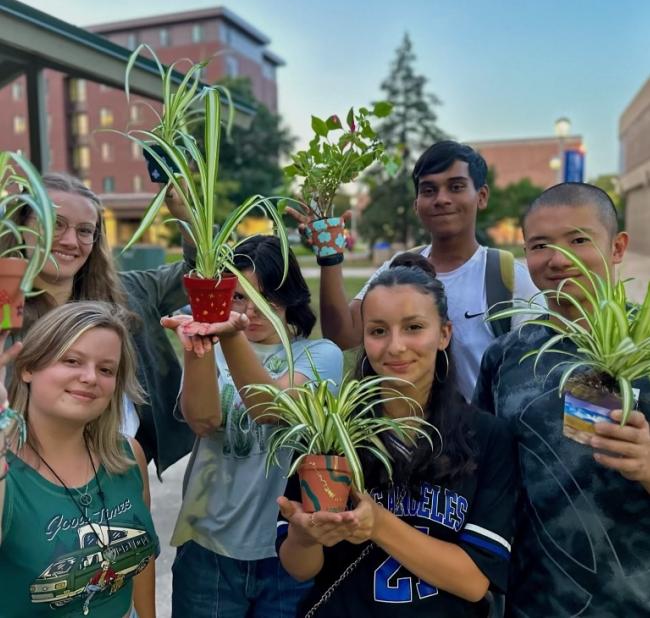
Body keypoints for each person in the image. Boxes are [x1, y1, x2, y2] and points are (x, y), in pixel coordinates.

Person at [277, 253, 518, 617]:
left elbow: (472, 581)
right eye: (377, 331)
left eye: (414, 328)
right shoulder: (328, 431)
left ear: (444, 334)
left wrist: (378, 524)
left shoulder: (488, 437)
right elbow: (299, 567)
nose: (395, 347)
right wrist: (304, 536)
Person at [473, 182, 650, 616]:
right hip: (534, 601)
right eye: (539, 245)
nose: (558, 260)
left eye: (578, 240)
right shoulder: (507, 356)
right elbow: (485, 475)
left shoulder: (644, 343)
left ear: (617, 246)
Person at [161, 235, 344, 618]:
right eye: (239, 296)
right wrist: (200, 345)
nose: (250, 311)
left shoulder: (319, 355)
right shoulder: (212, 347)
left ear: (290, 297)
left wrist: (226, 333)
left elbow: (270, 407)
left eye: (266, 297)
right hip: (208, 547)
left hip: (286, 547)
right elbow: (204, 420)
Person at [289, 140, 540, 402]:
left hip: (480, 438)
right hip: (406, 434)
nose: (442, 199)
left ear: (482, 196)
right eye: (429, 190)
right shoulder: (400, 267)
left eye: (456, 187)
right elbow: (344, 336)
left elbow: (536, 377)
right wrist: (330, 257)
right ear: (416, 204)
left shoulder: (508, 278)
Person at [1, 172, 195, 474]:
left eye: (84, 230)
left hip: (118, 469)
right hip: (27, 476)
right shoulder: (5, 309)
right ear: (22, 226)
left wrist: (188, 216)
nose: (69, 241)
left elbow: (202, 274)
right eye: (56, 224)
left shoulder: (128, 293)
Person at [0, 301, 158, 617]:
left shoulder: (127, 456)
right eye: (72, 361)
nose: (90, 378)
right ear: (27, 368)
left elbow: (141, 559)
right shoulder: (7, 475)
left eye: (106, 369)